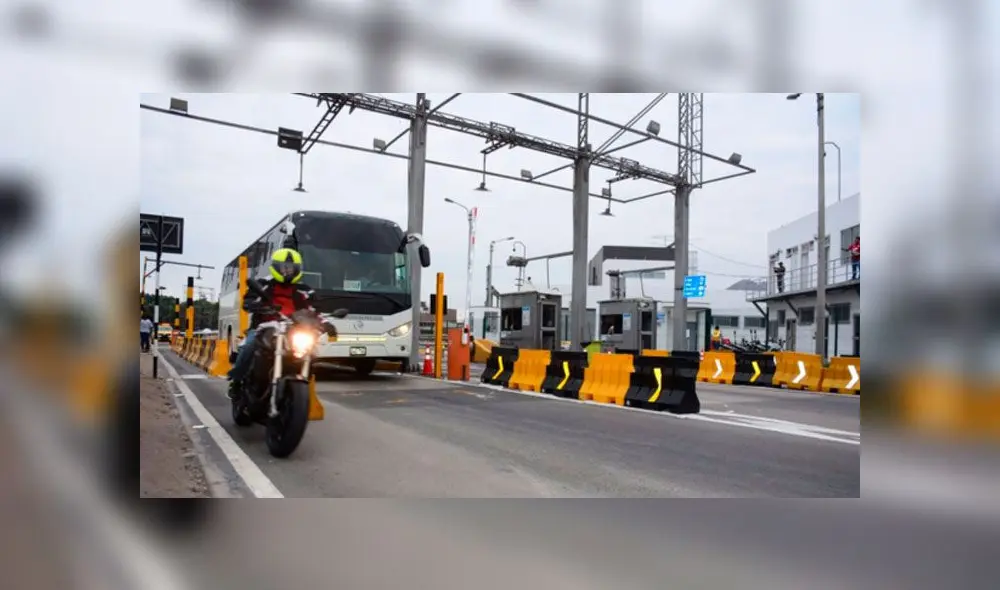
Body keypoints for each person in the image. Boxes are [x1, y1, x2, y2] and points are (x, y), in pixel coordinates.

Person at [227, 248, 317, 396]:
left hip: (292, 330)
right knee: (248, 346)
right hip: (263, 328)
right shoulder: (263, 284)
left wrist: (324, 322)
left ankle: (299, 388)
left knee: (312, 351)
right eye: (284, 268)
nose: (287, 272)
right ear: (276, 267)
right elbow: (249, 301)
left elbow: (313, 309)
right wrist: (255, 305)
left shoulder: (303, 290)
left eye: (291, 268)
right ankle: (236, 382)